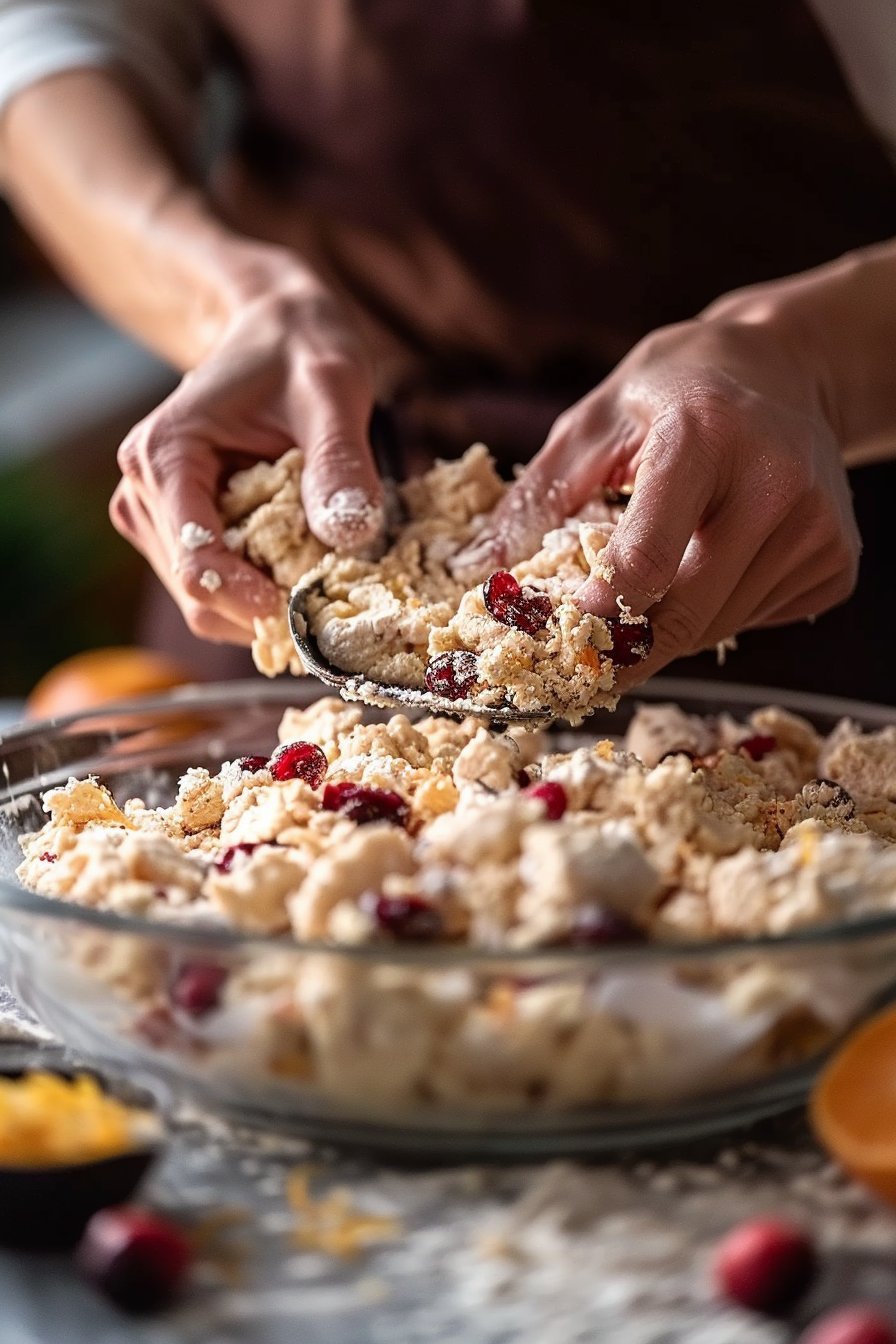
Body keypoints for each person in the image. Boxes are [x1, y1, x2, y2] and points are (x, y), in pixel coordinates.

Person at [2, 1, 896, 696]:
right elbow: (47, 44)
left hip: (802, 557)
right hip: (329, 539)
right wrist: (229, 301)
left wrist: (810, 356)